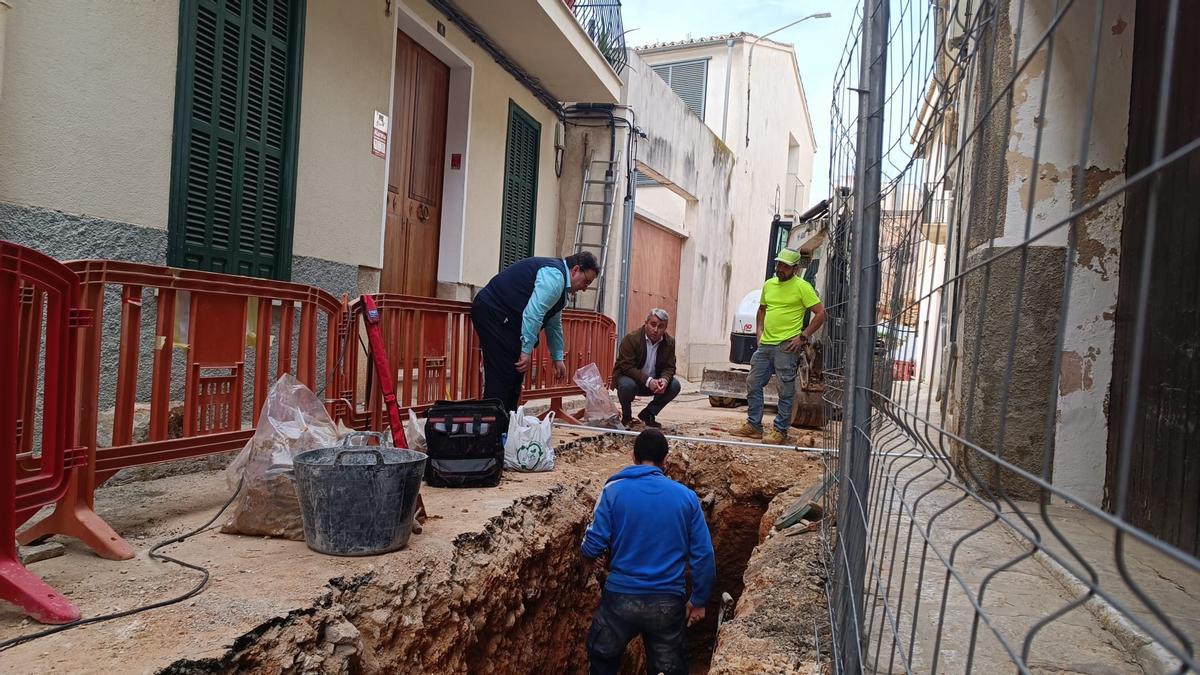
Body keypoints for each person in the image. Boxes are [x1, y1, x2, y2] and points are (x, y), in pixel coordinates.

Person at [582, 429, 715, 675]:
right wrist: (698, 600)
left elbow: (592, 545)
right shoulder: (687, 498)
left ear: (633, 457)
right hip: (667, 603)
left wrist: (592, 553)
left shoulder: (613, 491)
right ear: (666, 460)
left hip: (620, 600)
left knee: (603, 660)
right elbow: (703, 555)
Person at [471, 251, 600, 411]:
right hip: (493, 312)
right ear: (575, 270)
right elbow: (534, 313)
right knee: (502, 374)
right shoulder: (555, 277)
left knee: (515, 376)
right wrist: (526, 350)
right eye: (586, 282)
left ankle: (506, 427)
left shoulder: (561, 287)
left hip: (507, 319)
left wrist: (557, 356)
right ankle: (491, 427)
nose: (585, 289)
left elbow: (553, 322)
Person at [731, 248, 826, 444]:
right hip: (765, 345)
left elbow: (820, 313)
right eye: (779, 264)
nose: (780, 269)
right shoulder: (769, 285)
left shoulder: (803, 287)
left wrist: (803, 336)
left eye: (785, 266)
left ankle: (780, 430)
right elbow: (762, 310)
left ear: (796, 268)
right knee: (753, 382)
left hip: (787, 346)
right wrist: (759, 333)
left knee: (785, 389)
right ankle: (754, 426)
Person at [612, 308, 681, 428]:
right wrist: (648, 381)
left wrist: (664, 380)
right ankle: (627, 417)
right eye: (653, 324)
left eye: (660, 326)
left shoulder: (669, 342)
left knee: (674, 385)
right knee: (626, 385)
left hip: (654, 383)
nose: (656, 330)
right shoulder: (631, 339)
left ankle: (648, 414)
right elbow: (626, 367)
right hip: (631, 380)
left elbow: (670, 367)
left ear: (665, 328)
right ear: (646, 323)